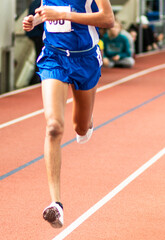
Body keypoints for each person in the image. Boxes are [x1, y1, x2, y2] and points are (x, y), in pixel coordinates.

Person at [23, 0, 114, 228]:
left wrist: (66, 14)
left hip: (85, 59)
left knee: (81, 128)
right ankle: (56, 204)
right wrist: (36, 20)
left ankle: (86, 121)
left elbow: (108, 19)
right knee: (53, 127)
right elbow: (49, 15)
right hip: (54, 57)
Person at [26, 0, 44, 85]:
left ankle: (36, 77)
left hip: (34, 34)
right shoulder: (38, 3)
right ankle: (37, 78)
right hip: (38, 34)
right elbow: (41, 18)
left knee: (38, 55)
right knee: (39, 55)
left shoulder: (34, 3)